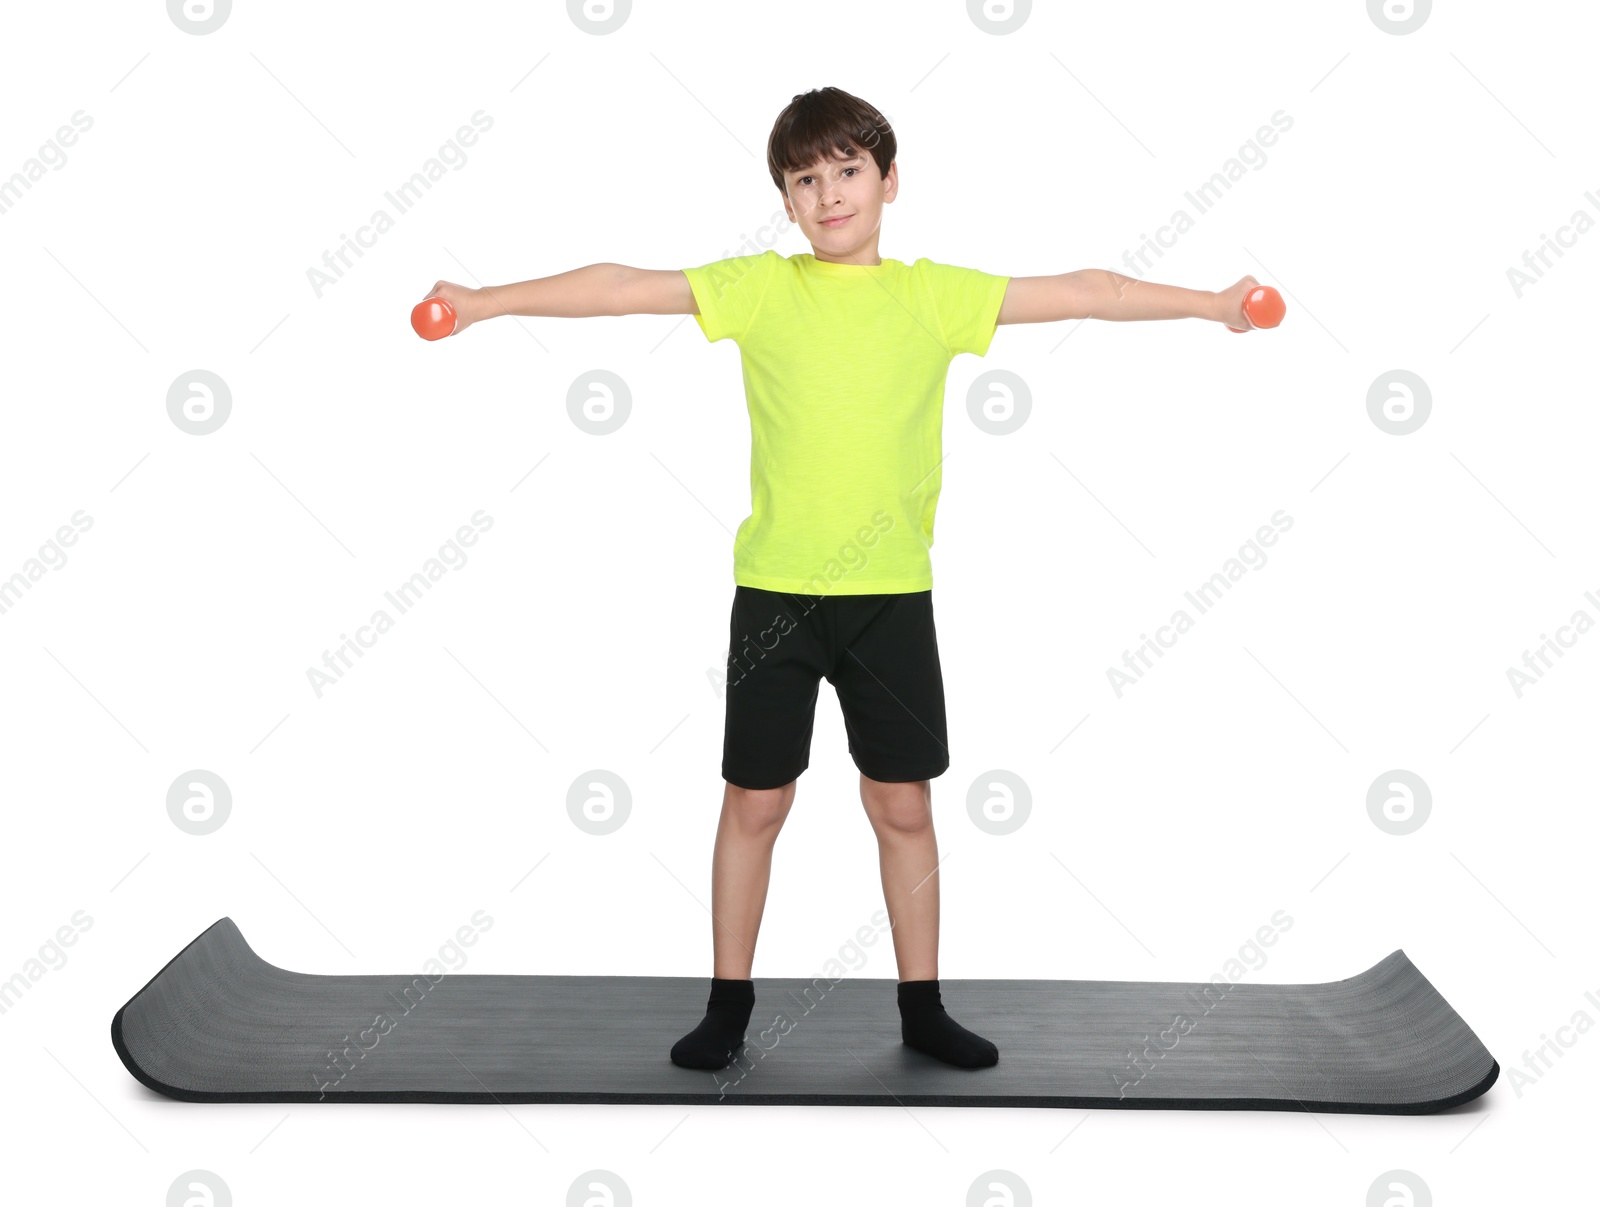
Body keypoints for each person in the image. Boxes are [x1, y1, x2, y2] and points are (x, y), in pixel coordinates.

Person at [419, 85, 1275, 1074]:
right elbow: (620, 285)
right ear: (786, 201)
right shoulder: (762, 288)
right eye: (804, 180)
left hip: (890, 599)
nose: (828, 195)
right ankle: (727, 1005)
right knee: (755, 802)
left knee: (903, 805)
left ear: (888, 180)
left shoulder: (931, 296)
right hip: (777, 596)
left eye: (847, 172)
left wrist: (1216, 306)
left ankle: (922, 1007)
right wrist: (482, 304)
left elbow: (1086, 289)